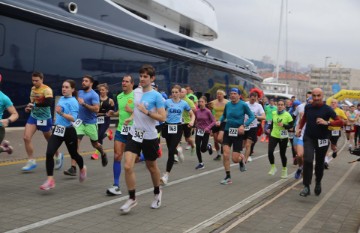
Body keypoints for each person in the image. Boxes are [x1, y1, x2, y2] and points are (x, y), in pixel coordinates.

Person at [120, 64, 166, 214]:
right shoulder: (136, 92)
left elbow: (162, 117)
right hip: (135, 133)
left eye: (145, 76)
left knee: (151, 167)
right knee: (127, 166)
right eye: (141, 76)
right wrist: (131, 117)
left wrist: (147, 112)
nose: (142, 79)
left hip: (150, 136)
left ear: (152, 79)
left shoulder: (157, 96)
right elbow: (136, 110)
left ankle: (157, 192)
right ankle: (132, 198)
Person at [40, 80, 87, 190]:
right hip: (57, 130)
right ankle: (50, 180)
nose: (64, 89)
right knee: (49, 153)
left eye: (66, 87)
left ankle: (82, 168)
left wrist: (61, 113)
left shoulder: (73, 102)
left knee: (74, 154)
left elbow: (74, 118)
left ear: (72, 89)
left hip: (69, 131)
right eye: (63, 87)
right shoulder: (61, 99)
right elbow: (59, 112)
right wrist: (57, 118)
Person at [296, 88, 343, 197]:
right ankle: (306, 186)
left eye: (318, 96)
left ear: (322, 96)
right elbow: (304, 119)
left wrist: (327, 122)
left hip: (322, 139)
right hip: (309, 138)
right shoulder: (308, 107)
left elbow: (340, 121)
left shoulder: (327, 109)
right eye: (314, 96)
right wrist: (299, 128)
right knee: (307, 160)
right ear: (311, 96)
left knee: (319, 163)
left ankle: (318, 182)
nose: (316, 98)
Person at [64, 75, 108, 176]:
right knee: (76, 143)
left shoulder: (94, 95)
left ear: (91, 83)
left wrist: (84, 104)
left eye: (86, 81)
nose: (83, 82)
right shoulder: (79, 92)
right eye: (83, 80)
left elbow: (97, 109)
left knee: (95, 144)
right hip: (79, 123)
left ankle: (103, 153)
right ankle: (73, 168)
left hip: (91, 123)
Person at [22, 71, 63, 172]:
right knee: (26, 138)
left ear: (42, 80)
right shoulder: (32, 89)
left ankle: (58, 155)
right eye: (33, 80)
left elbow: (48, 103)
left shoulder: (47, 90)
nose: (34, 82)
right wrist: (29, 107)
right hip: (34, 117)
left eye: (37, 80)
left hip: (45, 118)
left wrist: (34, 106)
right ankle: (31, 161)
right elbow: (32, 102)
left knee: (49, 140)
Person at [218, 88, 254, 185]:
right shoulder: (228, 104)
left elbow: (252, 116)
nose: (233, 95)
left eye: (235, 94)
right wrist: (219, 120)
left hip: (238, 133)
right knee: (225, 154)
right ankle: (228, 177)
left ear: (239, 95)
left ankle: (241, 159)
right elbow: (224, 115)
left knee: (234, 159)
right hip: (227, 131)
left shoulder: (243, 105)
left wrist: (244, 125)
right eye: (231, 94)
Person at [106, 75, 134, 195]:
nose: (124, 83)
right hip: (121, 130)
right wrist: (113, 113)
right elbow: (120, 111)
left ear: (132, 84)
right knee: (117, 155)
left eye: (126, 81)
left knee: (136, 159)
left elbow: (143, 113)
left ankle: (145, 155)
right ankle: (116, 185)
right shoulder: (119, 96)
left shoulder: (137, 96)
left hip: (134, 131)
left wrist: (132, 111)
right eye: (123, 81)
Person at [160, 85, 195, 185]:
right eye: (173, 92)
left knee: (171, 152)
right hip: (167, 127)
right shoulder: (166, 102)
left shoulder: (184, 103)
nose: (174, 94)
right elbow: (161, 111)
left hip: (177, 128)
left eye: (176, 92)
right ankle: (178, 150)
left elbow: (192, 114)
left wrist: (192, 121)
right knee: (171, 149)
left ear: (180, 93)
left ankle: (166, 175)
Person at [266, 99, 293, 178]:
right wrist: (269, 128)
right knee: (270, 152)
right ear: (276, 105)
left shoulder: (288, 115)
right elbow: (272, 123)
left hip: (283, 136)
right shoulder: (274, 113)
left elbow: (291, 126)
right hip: (274, 135)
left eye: (282, 105)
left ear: (284, 106)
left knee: (282, 154)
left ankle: (284, 169)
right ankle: (273, 167)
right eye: (279, 105)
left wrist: (284, 125)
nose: (280, 106)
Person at [91, 83, 115, 160]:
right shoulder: (96, 99)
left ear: (107, 91)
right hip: (97, 120)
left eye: (103, 90)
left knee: (99, 136)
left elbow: (112, 111)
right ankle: (108, 134)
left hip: (105, 120)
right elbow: (94, 109)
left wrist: (109, 113)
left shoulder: (110, 101)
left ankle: (96, 153)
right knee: (97, 135)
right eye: (100, 90)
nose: (101, 91)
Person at [324, 98, 347, 169]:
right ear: (330, 103)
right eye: (332, 102)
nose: (333, 104)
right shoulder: (327, 110)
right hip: (327, 130)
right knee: (325, 145)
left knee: (333, 146)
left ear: (337, 104)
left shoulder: (340, 111)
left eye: (335, 102)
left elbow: (345, 120)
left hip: (336, 131)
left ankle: (334, 150)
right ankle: (326, 161)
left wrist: (341, 121)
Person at [243, 92, 265, 165]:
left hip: (252, 127)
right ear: (249, 98)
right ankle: (242, 155)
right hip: (244, 126)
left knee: (248, 144)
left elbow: (263, 117)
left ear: (256, 98)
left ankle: (245, 160)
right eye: (251, 99)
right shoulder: (245, 104)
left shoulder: (258, 106)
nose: (253, 100)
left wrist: (256, 116)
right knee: (242, 145)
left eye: (254, 99)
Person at [194, 96, 216, 169]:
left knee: (202, 149)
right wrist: (194, 126)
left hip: (206, 132)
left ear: (205, 102)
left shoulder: (208, 111)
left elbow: (213, 122)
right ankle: (201, 163)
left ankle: (208, 146)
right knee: (197, 147)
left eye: (202, 102)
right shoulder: (197, 111)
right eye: (199, 101)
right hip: (198, 131)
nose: (200, 103)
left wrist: (208, 128)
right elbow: (196, 120)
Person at [0, 75, 19, 153]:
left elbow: (15, 114)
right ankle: (4, 147)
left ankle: (4, 148)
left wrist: (8, 120)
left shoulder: (4, 98)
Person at [209, 89, 228, 161]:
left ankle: (224, 145)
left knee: (220, 138)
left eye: (220, 94)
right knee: (215, 140)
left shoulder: (227, 103)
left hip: (224, 121)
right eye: (218, 94)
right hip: (215, 121)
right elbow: (209, 111)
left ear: (223, 95)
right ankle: (218, 154)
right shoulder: (213, 102)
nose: (219, 95)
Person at [180, 88, 196, 155]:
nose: (181, 93)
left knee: (187, 139)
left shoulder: (188, 101)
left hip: (186, 121)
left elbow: (194, 109)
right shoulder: (178, 100)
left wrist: (187, 109)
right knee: (177, 137)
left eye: (183, 92)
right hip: (178, 121)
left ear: (186, 93)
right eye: (180, 92)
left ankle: (193, 145)